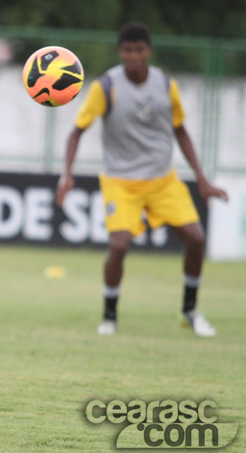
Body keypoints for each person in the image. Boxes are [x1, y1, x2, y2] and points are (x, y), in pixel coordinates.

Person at [55, 22, 228, 337]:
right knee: (119, 245)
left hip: (162, 179)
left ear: (148, 51)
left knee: (196, 239)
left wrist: (202, 179)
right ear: (120, 52)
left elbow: (180, 130)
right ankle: (109, 317)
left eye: (139, 49)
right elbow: (76, 132)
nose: (133, 56)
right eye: (127, 50)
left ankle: (190, 311)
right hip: (121, 181)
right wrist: (67, 174)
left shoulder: (165, 85)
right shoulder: (106, 87)